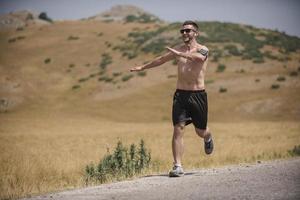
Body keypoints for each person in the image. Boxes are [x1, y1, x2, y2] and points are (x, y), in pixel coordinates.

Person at [130, 20, 213, 177]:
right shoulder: (178, 50)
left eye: (188, 31)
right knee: (178, 128)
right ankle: (177, 166)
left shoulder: (203, 49)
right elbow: (161, 59)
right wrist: (143, 67)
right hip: (181, 95)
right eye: (182, 31)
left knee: (200, 131)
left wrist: (179, 54)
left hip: (198, 95)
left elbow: (198, 59)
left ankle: (208, 137)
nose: (184, 33)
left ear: (196, 33)